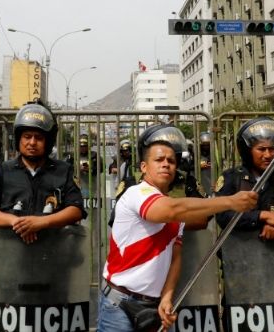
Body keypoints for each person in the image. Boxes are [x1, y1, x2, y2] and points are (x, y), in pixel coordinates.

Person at [98, 124, 258, 331]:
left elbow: (175, 256)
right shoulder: (136, 193)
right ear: (144, 167)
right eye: (159, 160)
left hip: (155, 306)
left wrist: (166, 297)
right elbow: (170, 210)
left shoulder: (173, 204)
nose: (166, 164)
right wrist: (229, 202)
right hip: (118, 303)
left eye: (171, 161)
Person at [0, 103, 85, 244]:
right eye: (27, 136)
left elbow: (76, 210)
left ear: (48, 142)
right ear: (19, 139)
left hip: (55, 252)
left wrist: (42, 222)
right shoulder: (3, 170)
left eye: (39, 138)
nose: (32, 142)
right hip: (10, 252)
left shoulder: (64, 170)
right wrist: (17, 222)